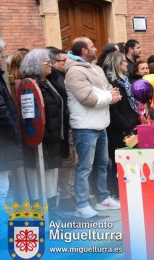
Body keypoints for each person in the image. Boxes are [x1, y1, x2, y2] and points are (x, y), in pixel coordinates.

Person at [65, 37, 121, 218]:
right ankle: (82, 205)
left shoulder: (96, 68)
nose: (96, 48)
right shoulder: (74, 72)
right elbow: (87, 99)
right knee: (85, 167)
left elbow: (107, 89)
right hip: (85, 126)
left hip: (101, 124)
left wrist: (109, 94)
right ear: (83, 51)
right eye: (92, 46)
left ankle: (103, 198)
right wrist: (108, 95)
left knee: (103, 164)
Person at [19, 49, 68, 206]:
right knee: (40, 180)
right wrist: (43, 135)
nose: (50, 66)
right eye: (47, 63)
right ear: (35, 65)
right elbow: (30, 116)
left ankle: (53, 213)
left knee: (51, 178)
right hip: (41, 141)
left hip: (53, 138)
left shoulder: (47, 82)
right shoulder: (30, 85)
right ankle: (43, 217)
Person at [0, 37, 23, 243]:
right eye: (0, 53)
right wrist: (14, 132)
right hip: (0, 143)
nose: (2, 57)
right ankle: (1, 236)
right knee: (0, 190)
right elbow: (0, 112)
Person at [102, 52, 139, 199]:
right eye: (123, 61)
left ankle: (129, 185)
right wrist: (126, 124)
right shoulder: (112, 83)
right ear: (117, 64)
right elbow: (113, 109)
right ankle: (117, 190)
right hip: (118, 127)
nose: (126, 64)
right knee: (117, 158)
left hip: (131, 123)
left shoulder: (126, 81)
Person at [46, 48, 75, 205]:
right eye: (64, 61)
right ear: (54, 62)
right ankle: (65, 196)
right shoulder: (54, 79)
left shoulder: (64, 76)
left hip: (68, 124)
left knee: (72, 162)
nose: (67, 63)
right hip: (62, 126)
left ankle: (69, 193)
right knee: (67, 162)